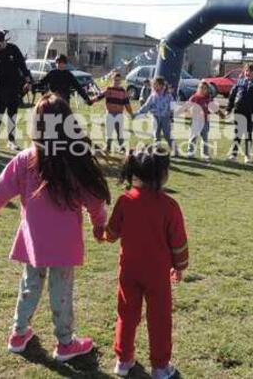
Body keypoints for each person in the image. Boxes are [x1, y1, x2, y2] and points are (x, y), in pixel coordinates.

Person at [0, 94, 110, 361]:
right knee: (61, 291)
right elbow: (95, 198)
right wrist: (99, 223)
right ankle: (65, 343)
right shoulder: (75, 158)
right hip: (63, 243)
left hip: (34, 240)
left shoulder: (26, 159)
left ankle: (18, 333)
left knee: (30, 284)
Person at [104, 145, 188, 379]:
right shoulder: (169, 206)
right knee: (159, 318)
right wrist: (180, 267)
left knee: (126, 313)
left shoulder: (124, 200)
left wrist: (102, 233)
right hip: (158, 273)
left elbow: (111, 233)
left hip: (129, 271)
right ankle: (160, 367)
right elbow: (179, 243)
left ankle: (123, 360)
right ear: (163, 175)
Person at [0, 30, 32, 152]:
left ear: (5, 41)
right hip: (1, 87)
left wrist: (28, 80)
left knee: (12, 115)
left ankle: (11, 141)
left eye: (1, 44)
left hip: (15, 87)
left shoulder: (13, 49)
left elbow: (22, 65)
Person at [226, 63, 253, 164]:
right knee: (237, 134)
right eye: (247, 71)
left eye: (251, 71)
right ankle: (233, 155)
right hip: (239, 110)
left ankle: (248, 156)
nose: (248, 73)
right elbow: (232, 96)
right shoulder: (239, 82)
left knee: (248, 134)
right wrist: (229, 108)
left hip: (251, 112)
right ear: (244, 72)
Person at [92, 71, 133, 154]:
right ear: (112, 80)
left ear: (120, 81)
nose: (116, 82)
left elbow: (127, 104)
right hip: (110, 113)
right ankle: (108, 146)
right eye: (115, 80)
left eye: (118, 80)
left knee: (119, 131)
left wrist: (131, 113)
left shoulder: (123, 92)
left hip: (119, 114)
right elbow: (99, 97)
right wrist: (91, 101)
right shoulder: (108, 90)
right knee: (109, 131)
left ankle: (121, 147)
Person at [135, 77, 176, 155]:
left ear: (161, 85)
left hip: (165, 118)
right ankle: (158, 151)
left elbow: (173, 105)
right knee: (156, 135)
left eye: (156, 85)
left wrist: (171, 114)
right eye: (153, 85)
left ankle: (175, 150)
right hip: (155, 117)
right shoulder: (153, 96)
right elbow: (146, 106)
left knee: (167, 135)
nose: (154, 86)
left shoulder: (168, 95)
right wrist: (138, 113)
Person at [185, 81, 222, 160]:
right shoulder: (194, 98)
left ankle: (205, 154)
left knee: (205, 138)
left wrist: (220, 114)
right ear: (198, 88)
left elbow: (214, 108)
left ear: (207, 90)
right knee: (193, 137)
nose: (202, 89)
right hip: (195, 122)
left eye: (204, 88)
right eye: (201, 88)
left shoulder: (208, 99)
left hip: (205, 122)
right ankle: (190, 152)